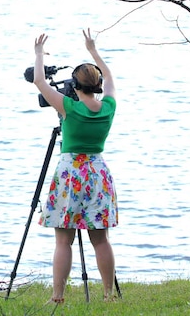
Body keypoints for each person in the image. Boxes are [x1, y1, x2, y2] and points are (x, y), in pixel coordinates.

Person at [32, 29, 118, 304]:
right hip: (98, 172)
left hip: (71, 174)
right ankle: (107, 294)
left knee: (63, 240)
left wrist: (38, 55)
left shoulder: (68, 106)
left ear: (75, 86)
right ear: (98, 85)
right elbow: (111, 79)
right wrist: (93, 51)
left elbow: (38, 81)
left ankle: (58, 296)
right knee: (100, 239)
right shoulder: (108, 107)